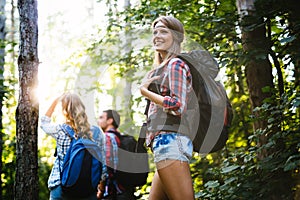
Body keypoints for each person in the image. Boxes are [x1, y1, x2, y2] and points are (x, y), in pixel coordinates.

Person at [139, 16, 195, 200]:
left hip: (171, 141)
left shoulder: (175, 64)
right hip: (163, 143)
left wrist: (145, 92)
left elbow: (178, 106)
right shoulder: (160, 69)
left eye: (163, 31)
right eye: (155, 32)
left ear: (176, 36)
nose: (157, 35)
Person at [40, 92, 105, 200]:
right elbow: (103, 163)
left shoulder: (60, 130)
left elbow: (44, 123)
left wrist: (55, 100)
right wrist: (101, 187)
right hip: (88, 188)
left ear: (64, 111)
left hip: (60, 186)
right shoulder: (96, 132)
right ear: (82, 108)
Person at [97, 109, 136, 200]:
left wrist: (101, 190)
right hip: (127, 190)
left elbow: (107, 166)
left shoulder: (107, 137)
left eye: (101, 117)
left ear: (110, 120)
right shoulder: (121, 138)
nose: (98, 121)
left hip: (114, 191)